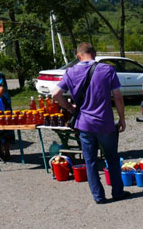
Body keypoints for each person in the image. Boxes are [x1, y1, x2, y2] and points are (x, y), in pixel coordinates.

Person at [52, 42, 129, 204]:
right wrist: (121, 118)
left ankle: (98, 196)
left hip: (84, 124)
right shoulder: (107, 70)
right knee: (112, 159)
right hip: (105, 123)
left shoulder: (71, 72)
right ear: (94, 53)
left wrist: (70, 107)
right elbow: (118, 96)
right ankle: (118, 192)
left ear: (78, 56)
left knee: (91, 161)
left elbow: (55, 94)